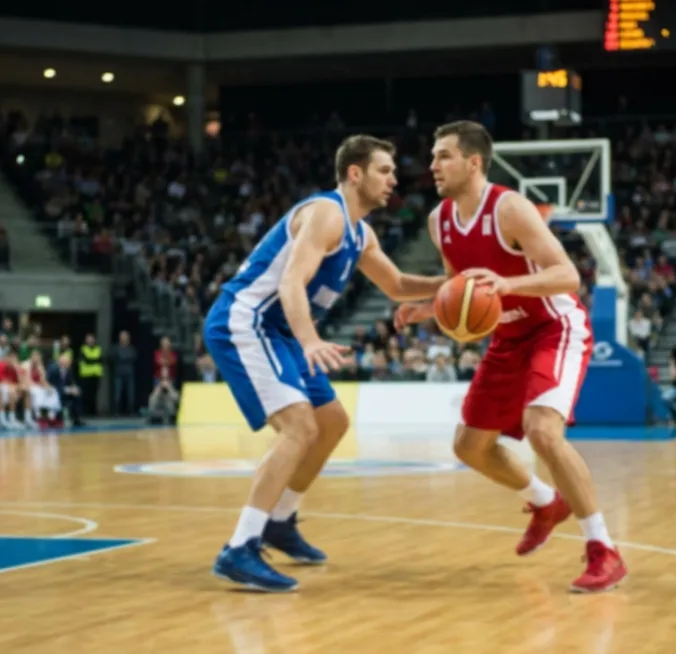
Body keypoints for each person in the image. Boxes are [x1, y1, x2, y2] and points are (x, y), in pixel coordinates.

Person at [204, 134, 447, 592]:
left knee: (331, 422)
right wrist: (311, 339)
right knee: (300, 428)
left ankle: (279, 522)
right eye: (384, 170)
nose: (393, 179)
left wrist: (451, 283)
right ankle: (240, 547)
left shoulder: (361, 231)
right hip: (248, 323)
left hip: (281, 333)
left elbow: (395, 284)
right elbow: (293, 282)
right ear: (355, 173)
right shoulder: (326, 214)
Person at [395, 120, 627, 593]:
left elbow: (567, 275)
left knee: (542, 431)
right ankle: (545, 502)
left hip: (552, 327)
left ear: (473, 161)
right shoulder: (439, 220)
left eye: (444, 156)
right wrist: (429, 307)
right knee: (468, 447)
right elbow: (459, 285)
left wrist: (510, 285)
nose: (433, 165)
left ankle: (604, 549)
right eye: (434, 156)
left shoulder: (511, 209)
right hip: (507, 336)